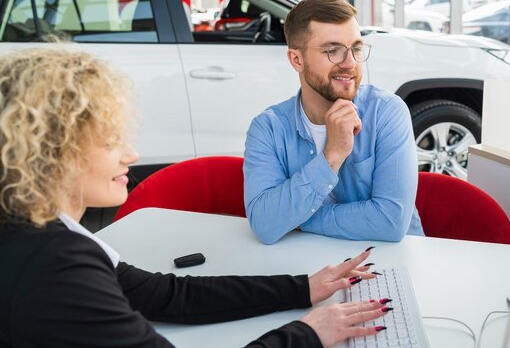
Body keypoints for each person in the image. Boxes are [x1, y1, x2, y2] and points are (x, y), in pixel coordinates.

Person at [0, 47, 390, 348]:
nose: (131, 155)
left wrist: (302, 287)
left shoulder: (35, 228)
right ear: (51, 151)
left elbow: (165, 295)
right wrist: (307, 334)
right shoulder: (54, 267)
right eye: (108, 141)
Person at [244, 0, 424, 245]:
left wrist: (295, 219)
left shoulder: (387, 112)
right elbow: (264, 225)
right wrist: (333, 154)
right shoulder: (267, 128)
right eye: (333, 51)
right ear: (297, 59)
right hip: (308, 267)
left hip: (392, 264)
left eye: (356, 48)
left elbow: (391, 222)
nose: (350, 63)